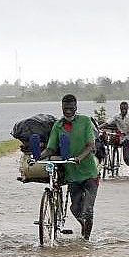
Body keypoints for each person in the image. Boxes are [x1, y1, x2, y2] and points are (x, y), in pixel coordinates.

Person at [38, 94, 100, 240]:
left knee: (88, 209)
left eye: (71, 108)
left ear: (76, 108)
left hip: (90, 172)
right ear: (62, 108)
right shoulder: (58, 126)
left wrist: (80, 157)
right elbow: (51, 148)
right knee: (75, 208)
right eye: (66, 108)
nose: (68, 111)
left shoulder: (85, 121)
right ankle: (84, 227)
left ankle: (86, 241)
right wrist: (38, 157)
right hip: (72, 174)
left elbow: (90, 145)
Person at [107, 101, 129, 176]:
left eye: (125, 108)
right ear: (120, 108)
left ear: (127, 108)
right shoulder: (117, 116)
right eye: (122, 109)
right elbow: (108, 122)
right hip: (125, 140)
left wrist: (126, 132)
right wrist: (98, 127)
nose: (123, 110)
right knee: (126, 158)